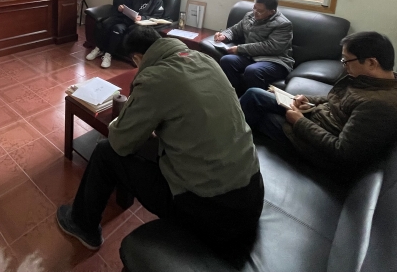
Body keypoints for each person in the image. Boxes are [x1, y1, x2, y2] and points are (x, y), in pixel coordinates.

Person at [58, 27, 263, 252]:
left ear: (137, 58)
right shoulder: (207, 60)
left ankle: (83, 225)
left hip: (210, 212)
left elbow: (120, 141)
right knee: (153, 141)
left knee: (105, 151)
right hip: (252, 193)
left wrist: (125, 120)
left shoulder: (155, 78)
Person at [239, 31, 397, 172]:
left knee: (259, 115)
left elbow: (341, 151)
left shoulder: (379, 105)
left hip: (314, 146)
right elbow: (337, 99)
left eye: (346, 60)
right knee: (255, 94)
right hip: (315, 118)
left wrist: (299, 122)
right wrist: (308, 100)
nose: (344, 65)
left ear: (371, 63)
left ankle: (231, 143)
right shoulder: (378, 81)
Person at [215, 0, 293, 95]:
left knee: (252, 70)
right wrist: (224, 36)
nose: (255, 12)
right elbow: (234, 30)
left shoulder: (283, 24)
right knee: (226, 60)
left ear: (271, 12)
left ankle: (255, 102)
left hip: (275, 61)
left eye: (260, 11)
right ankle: (235, 96)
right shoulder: (249, 16)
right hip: (251, 56)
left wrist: (240, 49)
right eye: (254, 8)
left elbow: (272, 47)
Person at [86, 0, 164, 69]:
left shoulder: (158, 2)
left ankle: (108, 54)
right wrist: (121, 7)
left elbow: (156, 16)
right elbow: (124, 4)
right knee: (106, 23)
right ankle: (99, 48)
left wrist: (142, 18)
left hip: (137, 25)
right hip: (125, 18)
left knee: (117, 29)